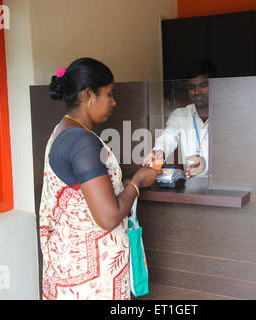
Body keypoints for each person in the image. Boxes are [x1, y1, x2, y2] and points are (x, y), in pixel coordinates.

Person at [39, 57, 161, 300]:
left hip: (67, 268)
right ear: (87, 95)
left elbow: (81, 193)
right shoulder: (82, 141)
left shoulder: (62, 131)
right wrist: (137, 182)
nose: (114, 101)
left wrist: (120, 185)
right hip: (90, 283)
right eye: (109, 94)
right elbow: (108, 216)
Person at [142, 59, 216, 178]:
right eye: (192, 87)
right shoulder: (180, 114)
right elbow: (168, 136)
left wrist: (205, 164)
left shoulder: (227, 115)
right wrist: (160, 151)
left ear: (215, 85)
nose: (197, 91)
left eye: (203, 85)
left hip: (224, 188)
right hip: (192, 188)